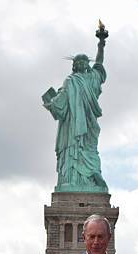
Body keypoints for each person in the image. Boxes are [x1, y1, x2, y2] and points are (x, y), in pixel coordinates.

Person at [43, 26, 109, 193]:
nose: (80, 64)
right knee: (73, 149)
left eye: (84, 61)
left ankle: (92, 176)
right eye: (77, 62)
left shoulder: (93, 77)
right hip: (72, 124)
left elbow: (100, 63)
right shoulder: (70, 81)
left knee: (89, 149)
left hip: (88, 122)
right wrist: (52, 103)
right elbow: (61, 100)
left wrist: (101, 43)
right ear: (74, 66)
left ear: (88, 64)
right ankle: (71, 180)